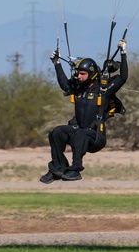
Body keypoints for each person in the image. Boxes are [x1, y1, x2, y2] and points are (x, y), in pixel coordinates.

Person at [41, 40, 128, 183]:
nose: (78, 76)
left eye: (82, 74)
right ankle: (58, 168)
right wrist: (56, 63)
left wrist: (123, 53)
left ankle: (75, 170)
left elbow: (123, 77)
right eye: (78, 73)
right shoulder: (78, 88)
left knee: (81, 133)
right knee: (57, 132)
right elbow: (64, 84)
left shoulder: (103, 90)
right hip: (78, 132)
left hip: (95, 137)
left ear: (92, 74)